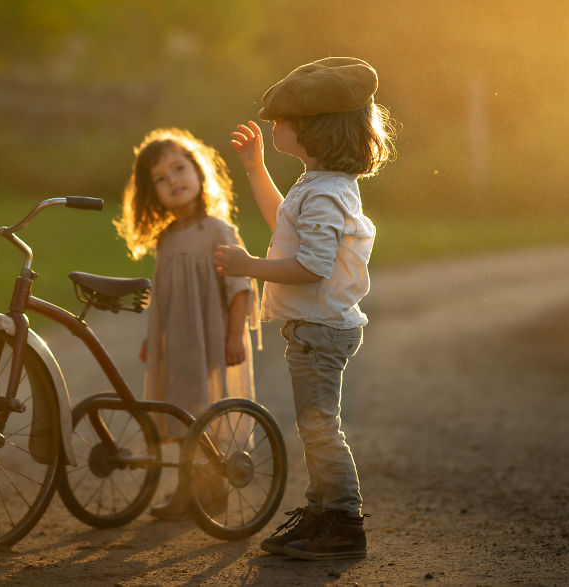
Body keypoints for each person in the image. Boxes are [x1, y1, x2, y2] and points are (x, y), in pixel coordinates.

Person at [214, 57, 396, 560]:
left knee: (319, 426)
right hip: (315, 328)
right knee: (315, 424)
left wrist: (249, 266)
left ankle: (342, 522)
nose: (275, 125)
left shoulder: (324, 194)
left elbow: (311, 266)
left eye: (283, 119)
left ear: (314, 129)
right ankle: (321, 513)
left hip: (318, 330)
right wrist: (256, 169)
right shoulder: (320, 186)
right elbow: (284, 226)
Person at [115, 127, 260, 519]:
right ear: (151, 192)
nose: (173, 181)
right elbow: (162, 299)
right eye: (160, 179)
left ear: (198, 171)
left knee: (205, 413)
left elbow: (240, 285)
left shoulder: (216, 229)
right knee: (181, 413)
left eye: (179, 168)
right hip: (177, 345)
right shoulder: (165, 239)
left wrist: (234, 335)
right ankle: (187, 489)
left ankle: (211, 487)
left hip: (211, 339)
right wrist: (153, 340)